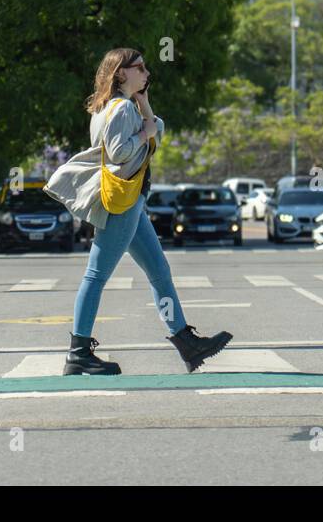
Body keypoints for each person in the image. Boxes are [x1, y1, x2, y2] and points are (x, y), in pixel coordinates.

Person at [44, 48, 232, 376]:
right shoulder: (120, 110)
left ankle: (186, 341)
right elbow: (120, 152)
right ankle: (78, 352)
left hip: (132, 203)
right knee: (96, 274)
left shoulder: (112, 107)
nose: (146, 73)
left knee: (159, 270)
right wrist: (145, 131)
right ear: (121, 73)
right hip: (123, 202)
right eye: (140, 68)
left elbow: (155, 124)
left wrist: (144, 105)